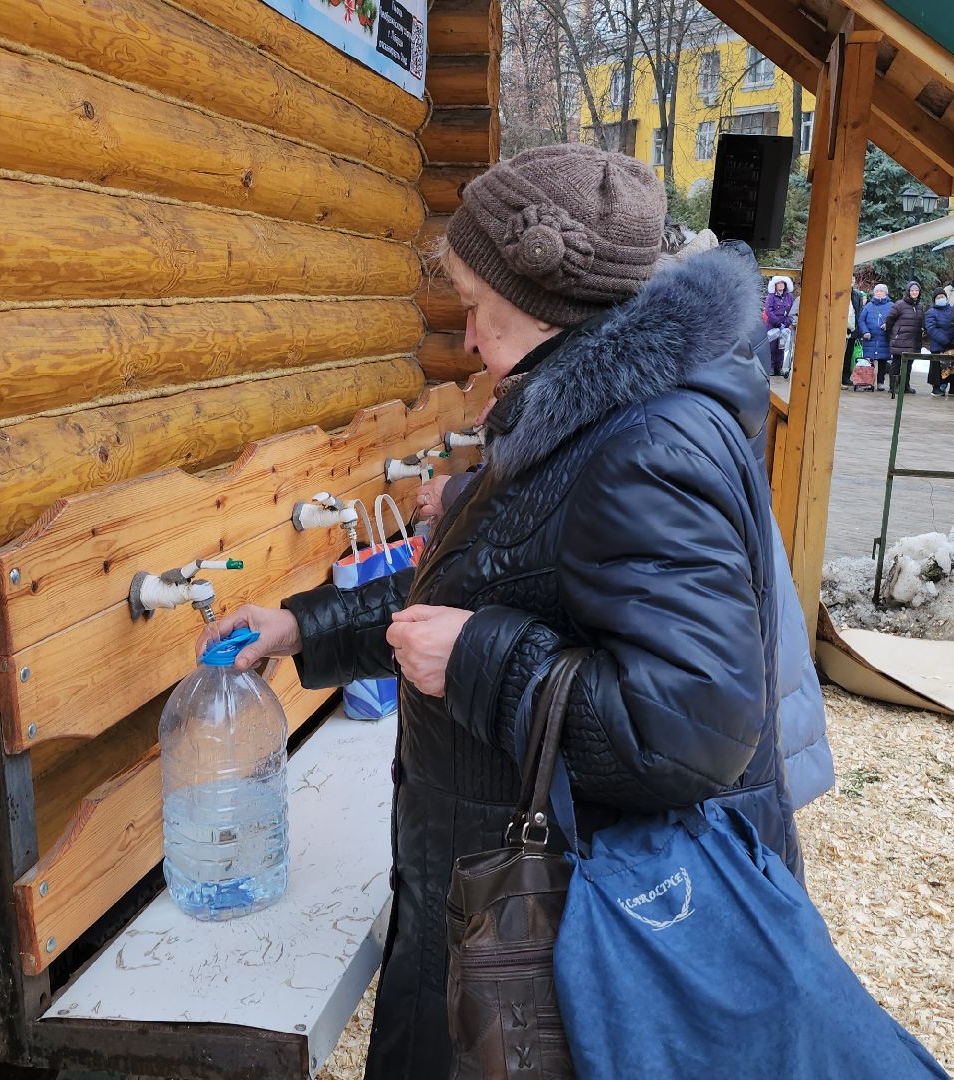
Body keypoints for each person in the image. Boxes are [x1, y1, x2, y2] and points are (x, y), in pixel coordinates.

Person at [207, 143, 827, 1080]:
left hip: (579, 936)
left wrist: (481, 662)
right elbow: (490, 583)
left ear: (538, 303)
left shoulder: (645, 443)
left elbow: (691, 727)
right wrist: (307, 626)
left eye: (474, 308)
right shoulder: (585, 412)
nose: (465, 341)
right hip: (507, 896)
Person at [883, 280, 925, 396]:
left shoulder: (920, 306)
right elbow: (890, 319)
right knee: (896, 363)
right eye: (912, 290)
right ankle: (893, 386)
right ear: (908, 291)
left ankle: (905, 386)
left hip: (913, 341)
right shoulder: (899, 305)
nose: (915, 292)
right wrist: (893, 334)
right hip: (900, 339)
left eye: (917, 290)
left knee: (909, 364)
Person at [856, 283, 894, 392]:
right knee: (869, 362)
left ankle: (881, 382)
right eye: (877, 291)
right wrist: (865, 331)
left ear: (885, 293)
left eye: (881, 291)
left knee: (882, 362)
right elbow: (861, 320)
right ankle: (868, 381)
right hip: (870, 338)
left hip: (883, 338)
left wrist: (888, 325)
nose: (879, 293)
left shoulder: (891, 305)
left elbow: (895, 318)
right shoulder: (868, 306)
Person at [923, 287, 954, 395]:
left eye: (942, 296)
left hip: (952, 345)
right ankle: (937, 388)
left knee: (953, 367)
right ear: (934, 300)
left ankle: (953, 388)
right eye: (938, 297)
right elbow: (931, 329)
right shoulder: (931, 312)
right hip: (938, 345)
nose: (940, 298)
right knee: (937, 369)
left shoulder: (953, 310)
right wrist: (945, 340)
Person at [764, 275, 797, 377]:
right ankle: (771, 369)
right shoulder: (771, 296)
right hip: (773, 325)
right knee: (771, 347)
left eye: (783, 283)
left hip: (785, 325)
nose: (781, 285)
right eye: (779, 283)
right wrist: (777, 323)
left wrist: (787, 323)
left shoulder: (789, 297)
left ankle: (779, 369)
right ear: (775, 285)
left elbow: (792, 311)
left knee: (782, 347)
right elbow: (768, 310)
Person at [843, 276, 867, 388]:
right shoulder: (840, 293)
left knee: (848, 355)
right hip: (840, 331)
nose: (851, 281)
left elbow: (858, 312)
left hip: (852, 331)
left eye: (853, 279)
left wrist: (856, 330)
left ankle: (845, 377)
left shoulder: (857, 295)